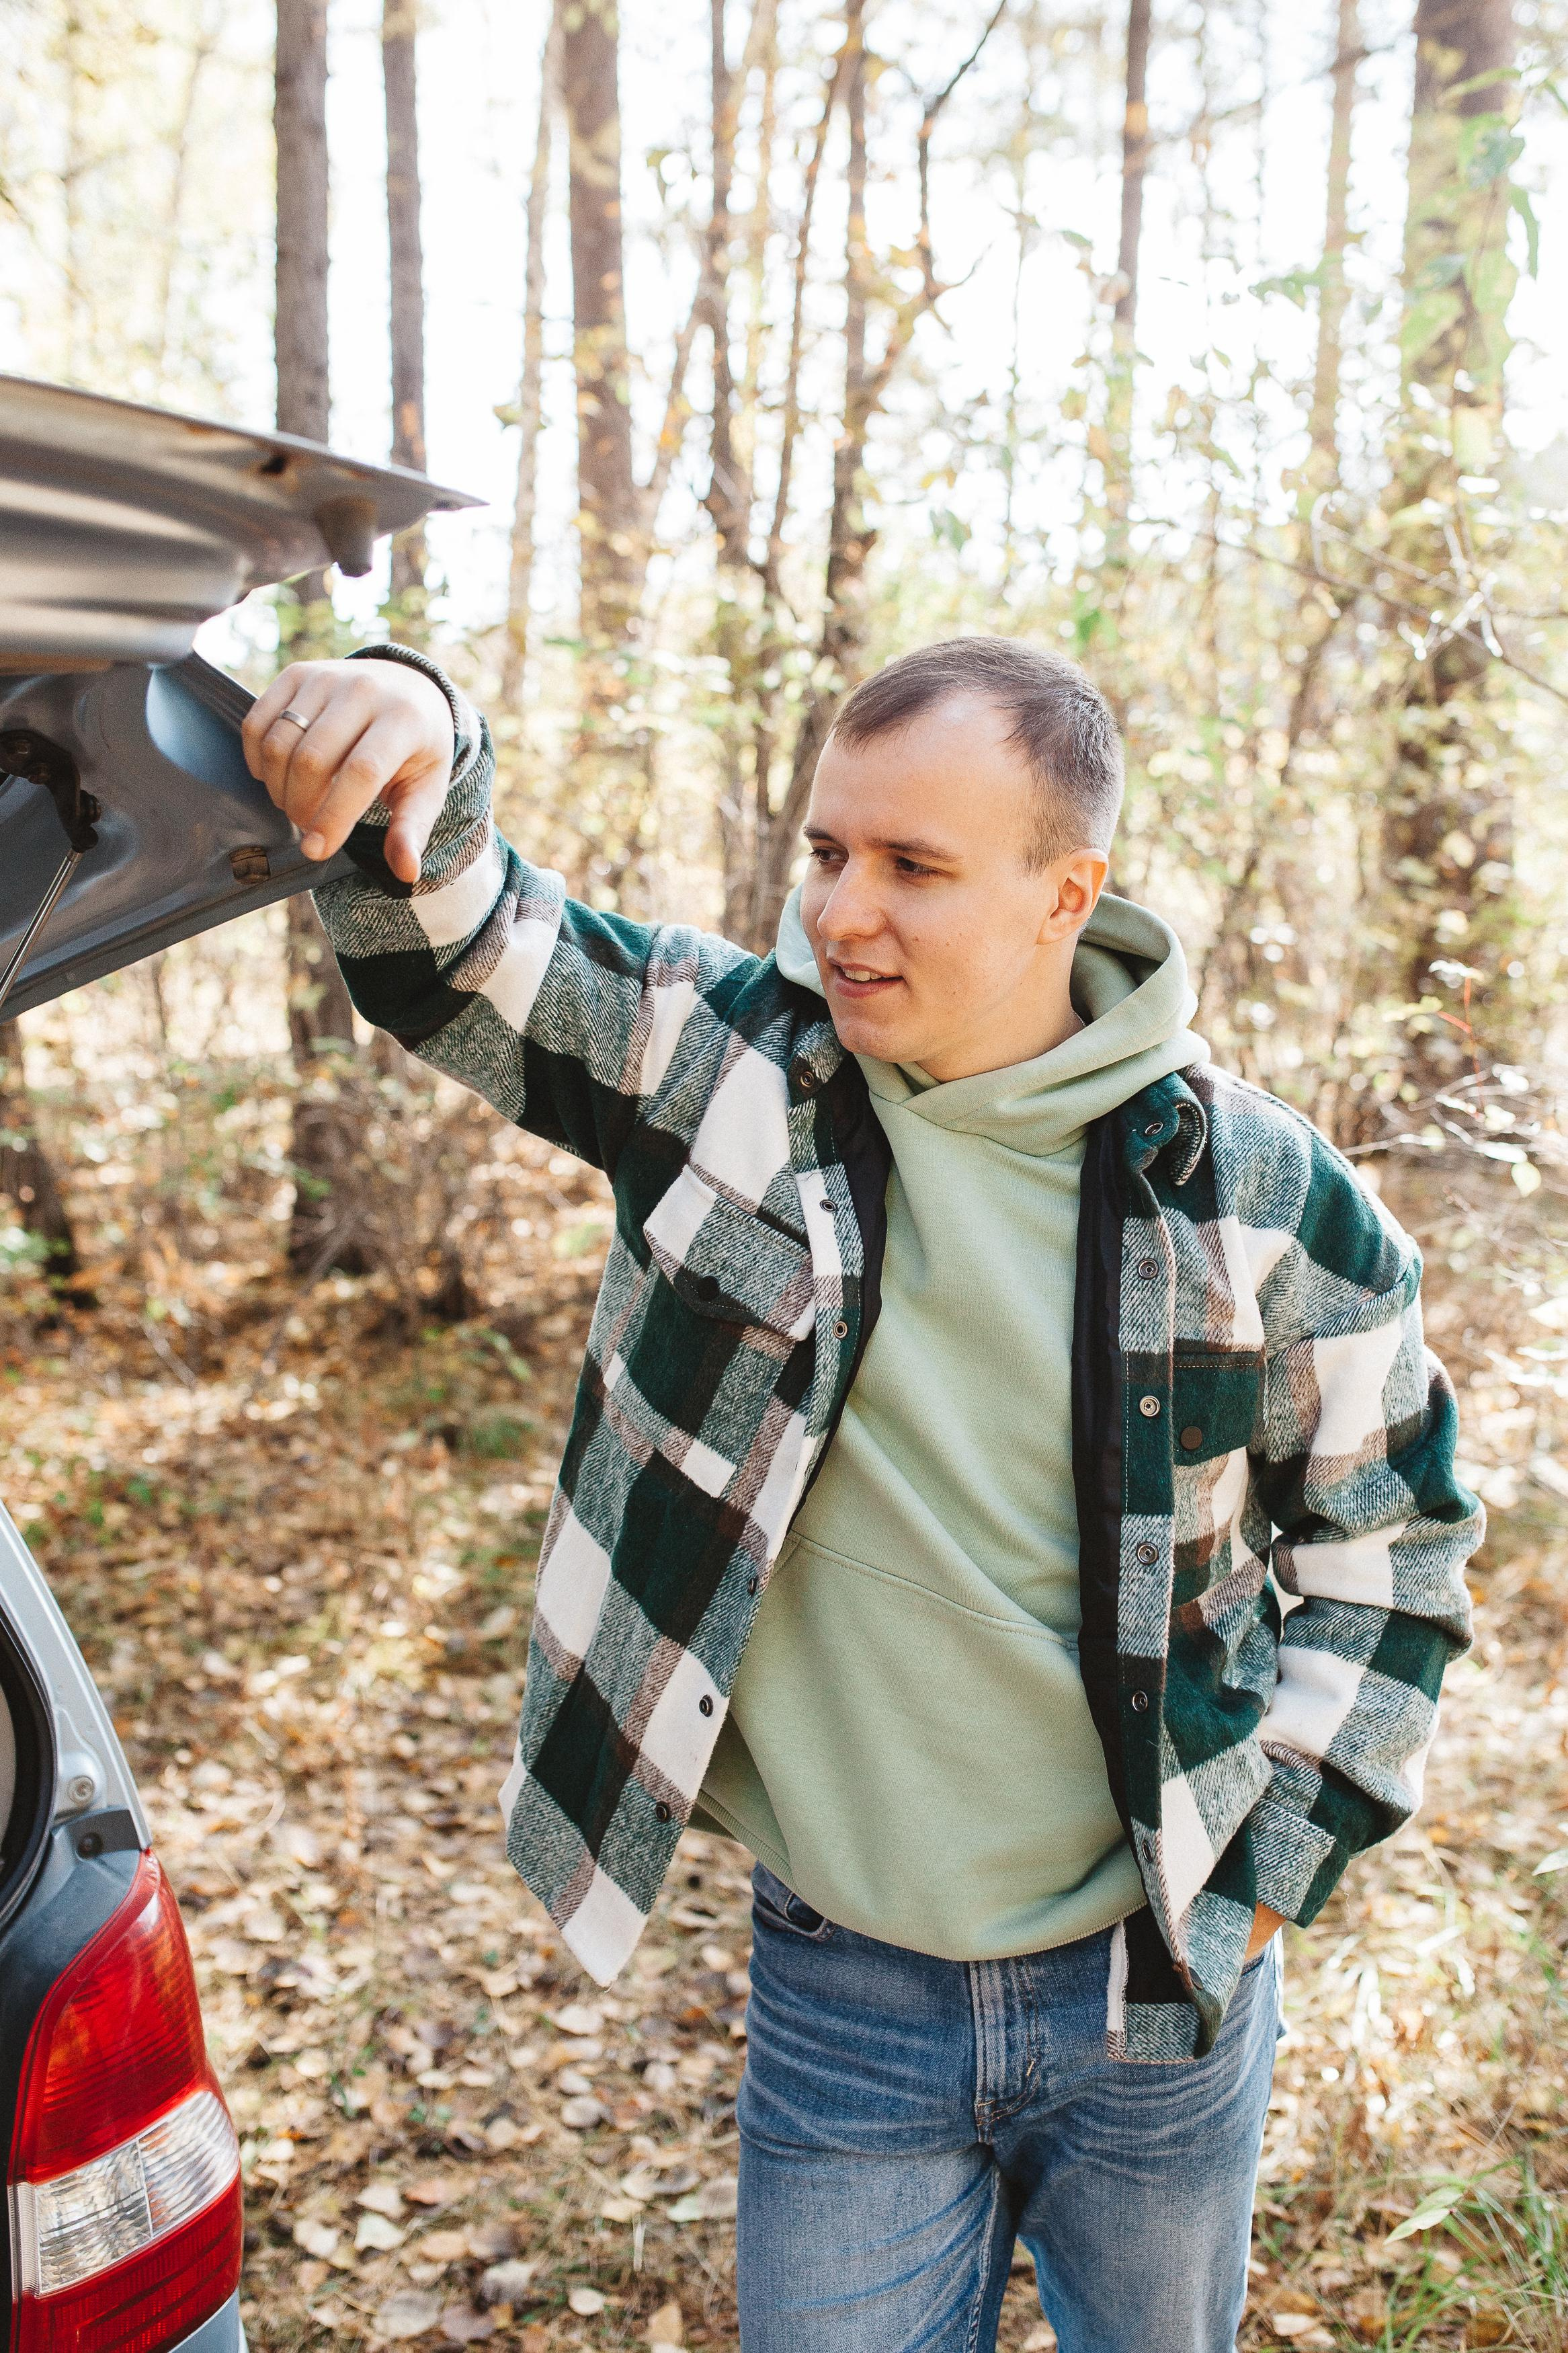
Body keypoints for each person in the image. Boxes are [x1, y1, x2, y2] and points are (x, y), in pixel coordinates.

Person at [243, 637, 1480, 2353]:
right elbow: (461, 950)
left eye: (915, 866)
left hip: (1159, 1985)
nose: (841, 913)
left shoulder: (1263, 1196)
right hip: (847, 1989)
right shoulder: (734, 1071)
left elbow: (1397, 1540)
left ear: (1070, 892)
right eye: (828, 853)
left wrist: (1277, 1858)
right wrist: (416, 719)